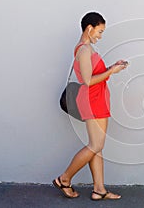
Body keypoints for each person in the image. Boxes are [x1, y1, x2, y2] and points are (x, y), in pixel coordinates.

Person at [53, 12, 127, 200]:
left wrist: (112, 67)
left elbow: (95, 73)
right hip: (92, 100)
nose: (100, 36)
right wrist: (112, 71)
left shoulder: (86, 49)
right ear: (89, 28)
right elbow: (87, 80)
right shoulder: (84, 50)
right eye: (99, 32)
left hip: (97, 99)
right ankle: (64, 178)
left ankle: (99, 190)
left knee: (97, 146)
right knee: (96, 145)